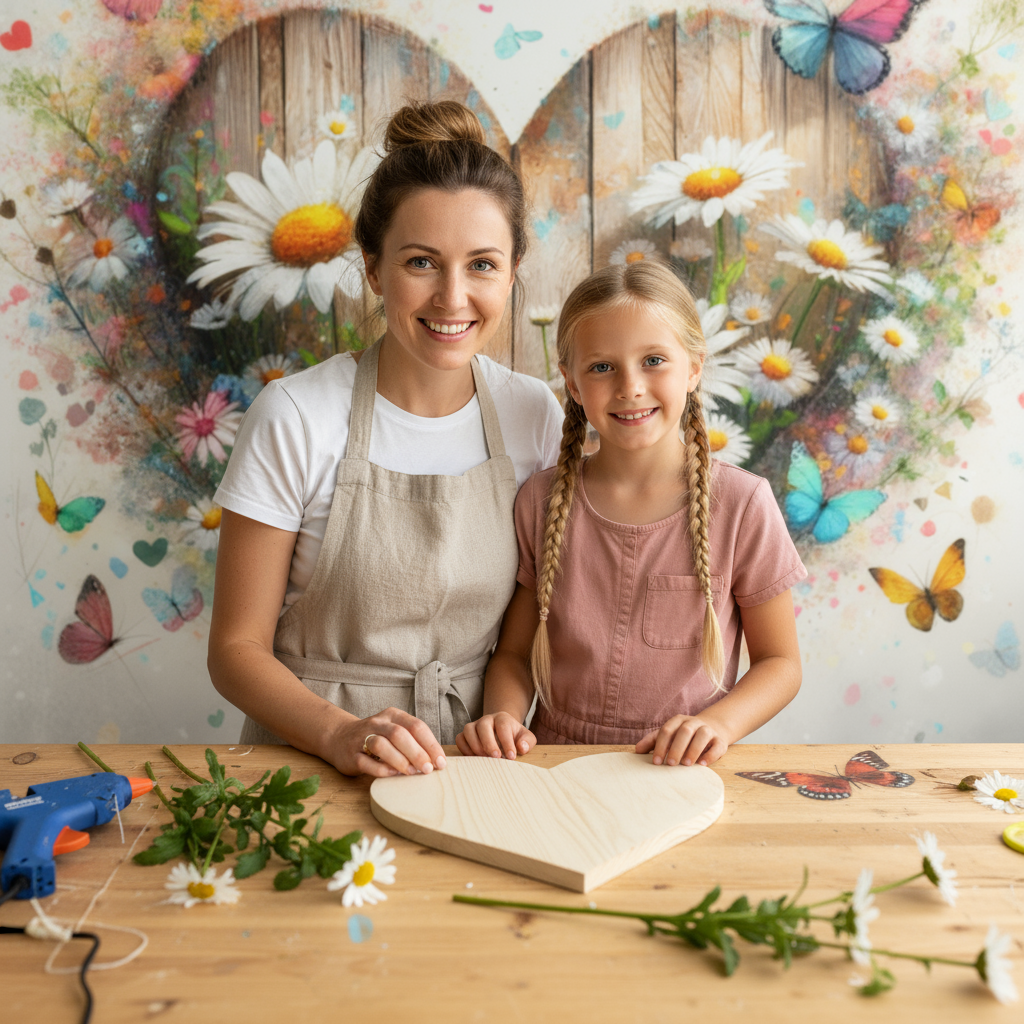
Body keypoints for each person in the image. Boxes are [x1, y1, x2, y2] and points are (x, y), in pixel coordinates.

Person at [208, 101, 563, 778]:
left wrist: (508, 720)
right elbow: (234, 649)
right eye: (422, 262)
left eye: (482, 265)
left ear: (514, 270)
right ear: (373, 268)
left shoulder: (533, 415)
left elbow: (534, 621)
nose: (453, 297)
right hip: (305, 766)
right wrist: (340, 735)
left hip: (471, 768)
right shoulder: (295, 416)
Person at [457, 260, 806, 768]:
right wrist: (504, 718)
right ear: (572, 384)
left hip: (683, 769)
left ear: (694, 368)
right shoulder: (540, 500)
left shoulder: (742, 503)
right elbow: (512, 655)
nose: (630, 387)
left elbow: (781, 664)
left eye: (654, 361)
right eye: (602, 367)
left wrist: (719, 724)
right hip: (556, 765)